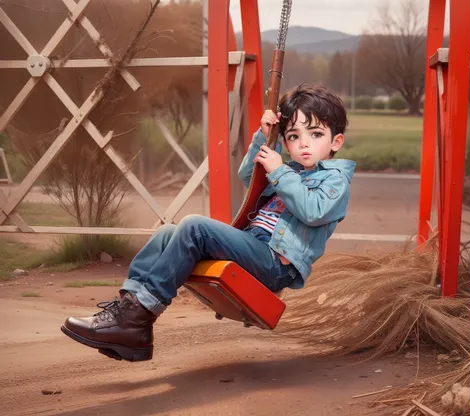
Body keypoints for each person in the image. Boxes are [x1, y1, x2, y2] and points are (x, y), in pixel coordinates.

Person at [61, 83, 356, 362]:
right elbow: (248, 178)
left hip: (274, 263)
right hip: (254, 246)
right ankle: (130, 316)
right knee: (167, 233)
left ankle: (138, 317)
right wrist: (262, 138)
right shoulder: (288, 169)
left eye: (315, 134)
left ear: (336, 141)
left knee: (195, 227)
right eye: (292, 136)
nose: (303, 143)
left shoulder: (334, 180)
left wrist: (280, 172)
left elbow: (312, 210)